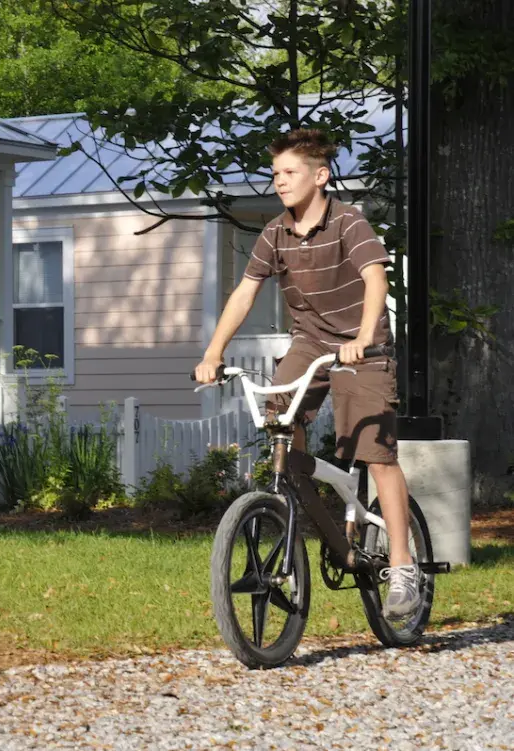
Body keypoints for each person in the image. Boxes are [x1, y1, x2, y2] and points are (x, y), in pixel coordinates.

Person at [193, 128, 421, 621]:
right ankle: (307, 517)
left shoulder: (348, 223)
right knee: (279, 425)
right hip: (311, 345)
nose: (279, 181)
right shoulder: (275, 232)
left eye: (289, 172)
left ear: (320, 176)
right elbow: (245, 292)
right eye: (275, 173)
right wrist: (213, 351)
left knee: (375, 454)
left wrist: (363, 338)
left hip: (365, 349)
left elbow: (375, 277)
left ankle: (402, 564)